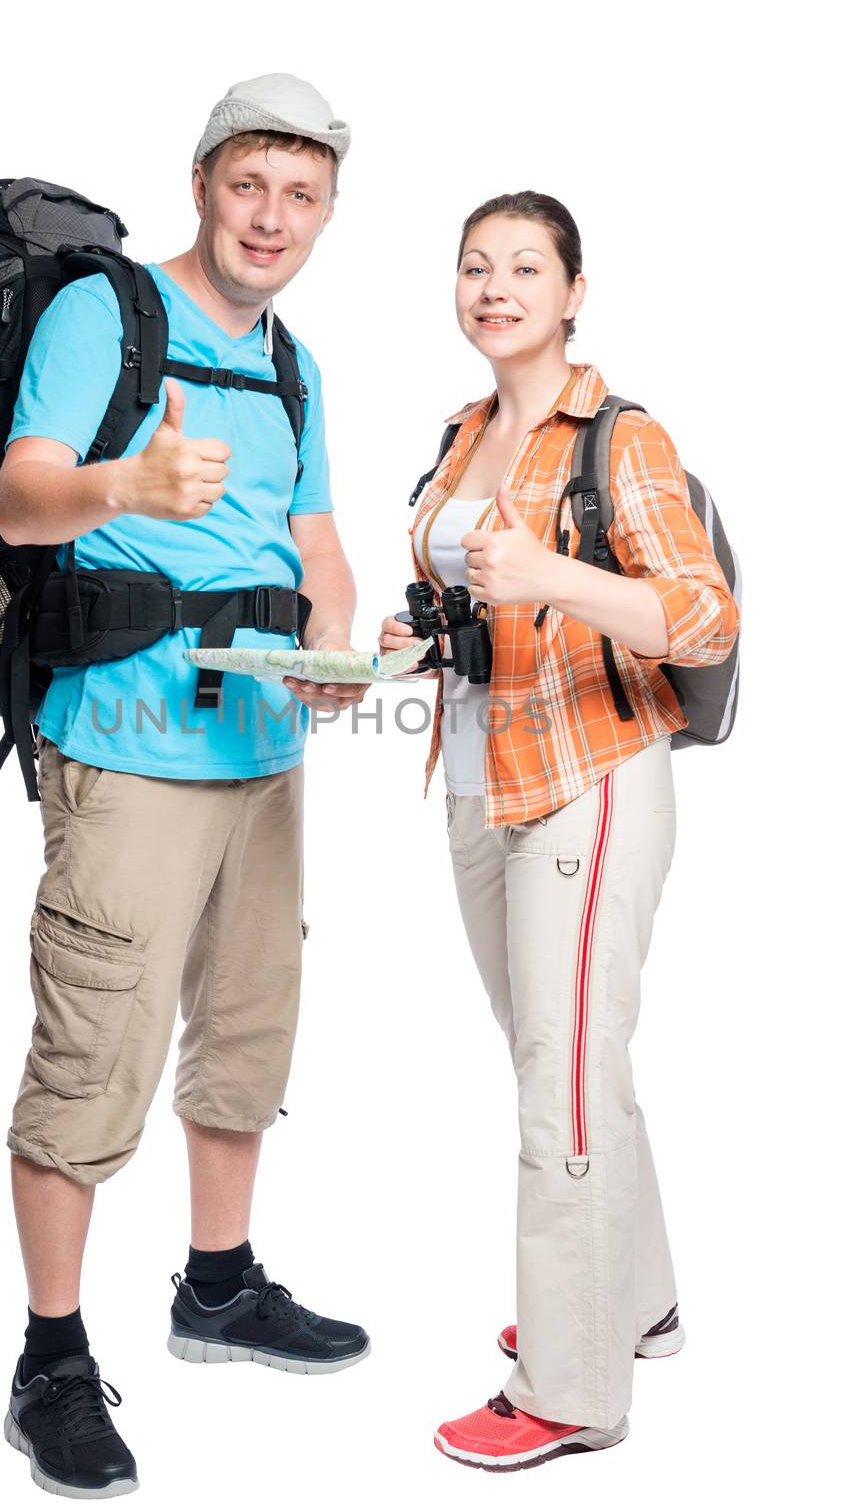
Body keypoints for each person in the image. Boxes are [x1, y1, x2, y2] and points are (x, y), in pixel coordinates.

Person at [0, 74, 372, 1499]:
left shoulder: (293, 362)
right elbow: (23, 499)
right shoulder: (106, 314)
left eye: (301, 197)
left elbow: (316, 535)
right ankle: (50, 1360)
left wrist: (336, 647)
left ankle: (217, 1284)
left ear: (326, 214)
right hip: (125, 749)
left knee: (249, 1030)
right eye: (248, 187)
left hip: (265, 751)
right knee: (94, 1053)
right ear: (203, 182)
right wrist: (126, 491)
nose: (271, 218)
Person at [379, 191, 740, 1472]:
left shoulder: (620, 436)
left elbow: (703, 617)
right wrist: (409, 641)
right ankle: (632, 1297)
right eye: (476, 266)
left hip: (594, 773)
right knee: (564, 1053)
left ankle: (572, 1384)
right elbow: (459, 598)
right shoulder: (463, 432)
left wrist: (559, 581)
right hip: (479, 774)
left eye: (525, 266)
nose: (496, 287)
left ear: (573, 289)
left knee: (564, 1074)